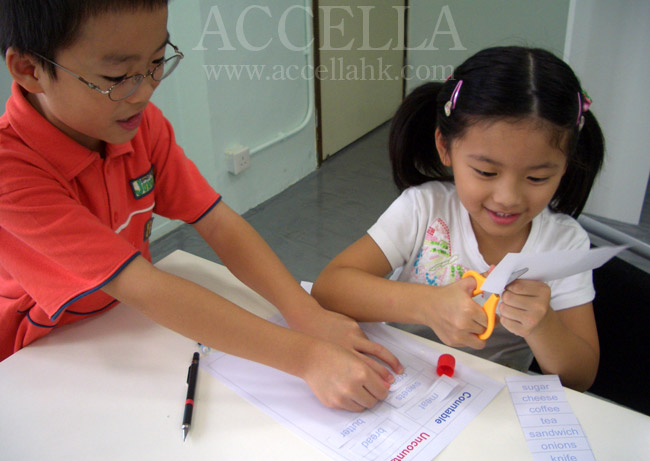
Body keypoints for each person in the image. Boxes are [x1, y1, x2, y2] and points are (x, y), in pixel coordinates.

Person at [0, 0, 403, 412]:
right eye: (117, 76)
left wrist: (303, 311)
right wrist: (307, 357)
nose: (144, 91)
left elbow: (217, 222)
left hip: (124, 321)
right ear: (30, 70)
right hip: (38, 354)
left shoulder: (137, 126)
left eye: (157, 62)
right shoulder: (10, 169)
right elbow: (141, 284)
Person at [312, 46, 605, 392]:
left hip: (489, 403)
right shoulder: (425, 208)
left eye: (537, 178)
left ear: (566, 164)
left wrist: (543, 327)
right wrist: (426, 305)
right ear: (445, 147)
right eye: (485, 171)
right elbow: (329, 289)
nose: (508, 197)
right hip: (398, 384)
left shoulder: (563, 244)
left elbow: (580, 378)